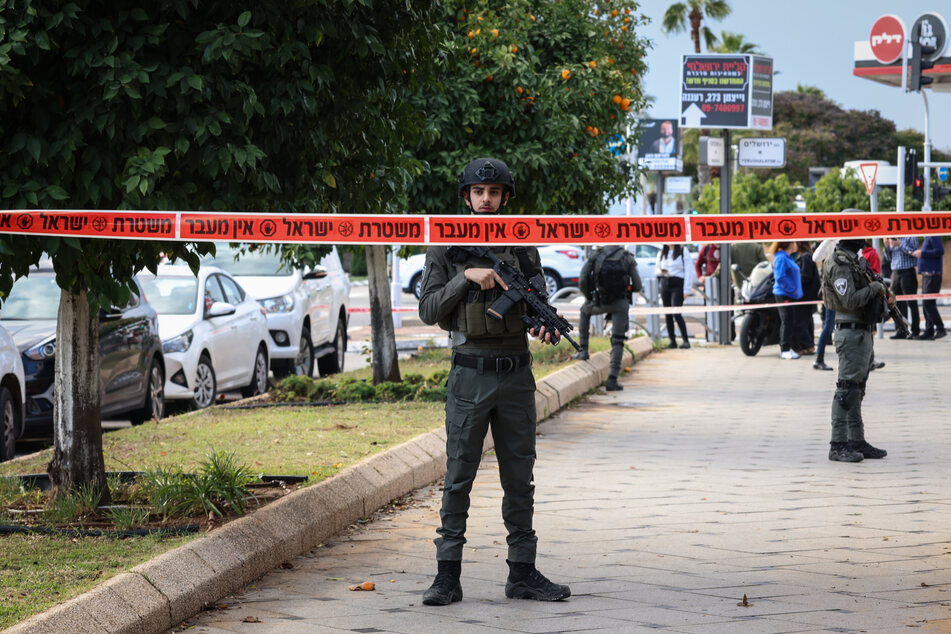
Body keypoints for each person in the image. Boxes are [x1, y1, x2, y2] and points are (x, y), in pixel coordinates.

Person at [417, 158, 570, 606]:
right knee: (459, 475)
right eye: (479, 191)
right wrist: (465, 279)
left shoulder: (524, 250)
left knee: (520, 478)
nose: (487, 199)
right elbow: (429, 310)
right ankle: (447, 576)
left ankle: (522, 572)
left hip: (517, 374)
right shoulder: (444, 249)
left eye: (495, 192)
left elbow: (537, 301)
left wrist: (543, 323)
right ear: (467, 197)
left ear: (506, 198)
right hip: (470, 373)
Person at [820, 238, 890, 462]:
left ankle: (856, 440)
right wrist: (874, 288)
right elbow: (849, 300)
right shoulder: (839, 263)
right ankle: (838, 444)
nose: (866, 238)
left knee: (857, 390)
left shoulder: (855, 261)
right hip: (850, 333)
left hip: (861, 332)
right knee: (846, 390)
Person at [574, 246, 643, 391]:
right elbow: (637, 286)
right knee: (618, 340)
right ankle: (612, 380)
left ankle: (583, 350)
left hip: (600, 301)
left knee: (584, 312)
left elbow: (582, 280)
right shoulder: (627, 257)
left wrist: (589, 298)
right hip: (620, 304)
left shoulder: (595, 255)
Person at [656, 244, 694, 349]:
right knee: (667, 314)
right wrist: (662, 271)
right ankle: (672, 340)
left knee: (676, 313)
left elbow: (688, 271)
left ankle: (685, 340)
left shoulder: (683, 251)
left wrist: (686, 290)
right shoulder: (662, 252)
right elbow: (656, 270)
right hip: (665, 282)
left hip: (677, 283)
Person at [769, 241, 803, 359]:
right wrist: (792, 290)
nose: (796, 244)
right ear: (788, 244)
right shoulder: (781, 258)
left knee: (789, 321)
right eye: (794, 242)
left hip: (789, 294)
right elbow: (780, 277)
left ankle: (788, 347)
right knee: (787, 321)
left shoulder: (787, 257)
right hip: (784, 294)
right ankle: (784, 350)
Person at [884, 237, 921, 339]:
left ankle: (915, 330)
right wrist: (886, 247)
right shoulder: (891, 236)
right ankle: (901, 330)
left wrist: (900, 244)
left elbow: (914, 253)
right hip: (895, 272)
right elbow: (888, 258)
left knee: (911, 303)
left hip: (908, 271)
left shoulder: (910, 236)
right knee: (896, 304)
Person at [812, 238, 839, 371]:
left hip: (847, 289)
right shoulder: (831, 241)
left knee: (859, 322)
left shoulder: (852, 238)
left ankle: (869, 359)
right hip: (832, 290)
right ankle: (819, 359)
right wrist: (827, 240)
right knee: (829, 325)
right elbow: (816, 257)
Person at [914, 236, 946, 340]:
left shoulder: (933, 235)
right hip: (927, 275)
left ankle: (940, 328)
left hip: (932, 275)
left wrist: (922, 253)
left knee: (928, 303)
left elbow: (940, 251)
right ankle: (929, 330)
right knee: (925, 304)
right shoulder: (928, 237)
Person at [794, 241, 819, 355]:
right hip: (809, 295)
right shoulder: (807, 256)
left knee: (801, 321)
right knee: (807, 320)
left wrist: (793, 279)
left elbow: (806, 276)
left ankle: (807, 346)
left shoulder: (805, 257)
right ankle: (809, 345)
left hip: (805, 295)